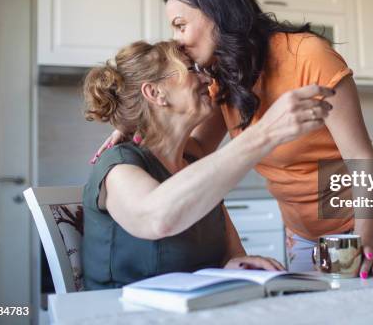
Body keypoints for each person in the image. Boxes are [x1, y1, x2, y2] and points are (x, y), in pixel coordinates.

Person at [98, 0, 373, 277]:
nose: (177, 39)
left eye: (180, 25)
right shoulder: (223, 76)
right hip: (301, 229)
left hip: (370, 217)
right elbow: (195, 152)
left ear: (214, 11)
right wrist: (135, 126)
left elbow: (360, 157)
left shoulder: (308, 55)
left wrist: (362, 245)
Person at [82, 40, 334, 289]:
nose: (208, 81)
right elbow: (157, 218)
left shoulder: (193, 161)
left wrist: (235, 265)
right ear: (155, 93)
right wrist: (266, 132)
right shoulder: (119, 166)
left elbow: (230, 255)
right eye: (192, 70)